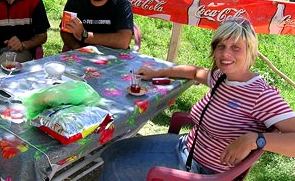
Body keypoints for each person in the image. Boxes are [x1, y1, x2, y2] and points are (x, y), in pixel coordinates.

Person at [99, 17, 295, 180]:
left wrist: (256, 140)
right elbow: (194, 72)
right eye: (221, 46)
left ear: (250, 52)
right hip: (186, 145)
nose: (226, 53)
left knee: (116, 167)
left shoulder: (261, 95)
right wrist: (155, 72)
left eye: (236, 47)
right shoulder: (222, 77)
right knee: (114, 150)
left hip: (202, 169)